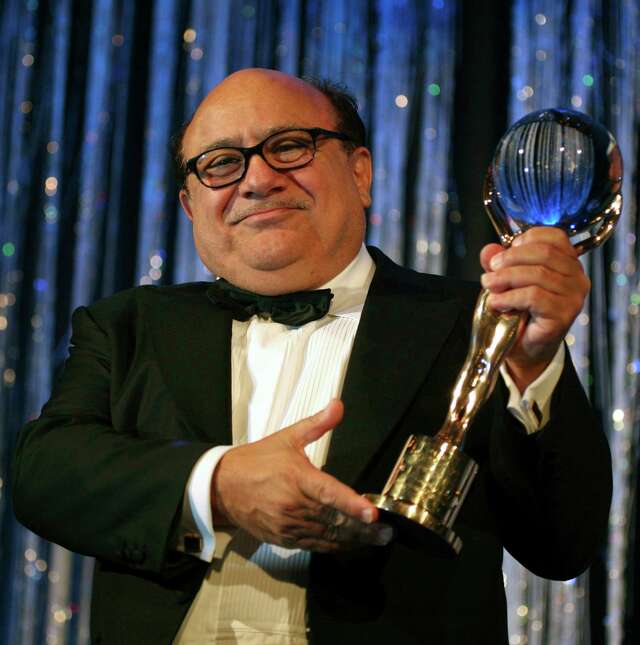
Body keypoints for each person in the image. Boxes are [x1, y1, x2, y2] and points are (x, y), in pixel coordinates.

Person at [13, 69, 612, 644]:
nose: (256, 180)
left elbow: (561, 545)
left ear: (360, 172)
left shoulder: (476, 321)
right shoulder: (128, 326)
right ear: (191, 207)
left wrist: (532, 367)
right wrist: (219, 485)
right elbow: (45, 474)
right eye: (221, 164)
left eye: (291, 147)